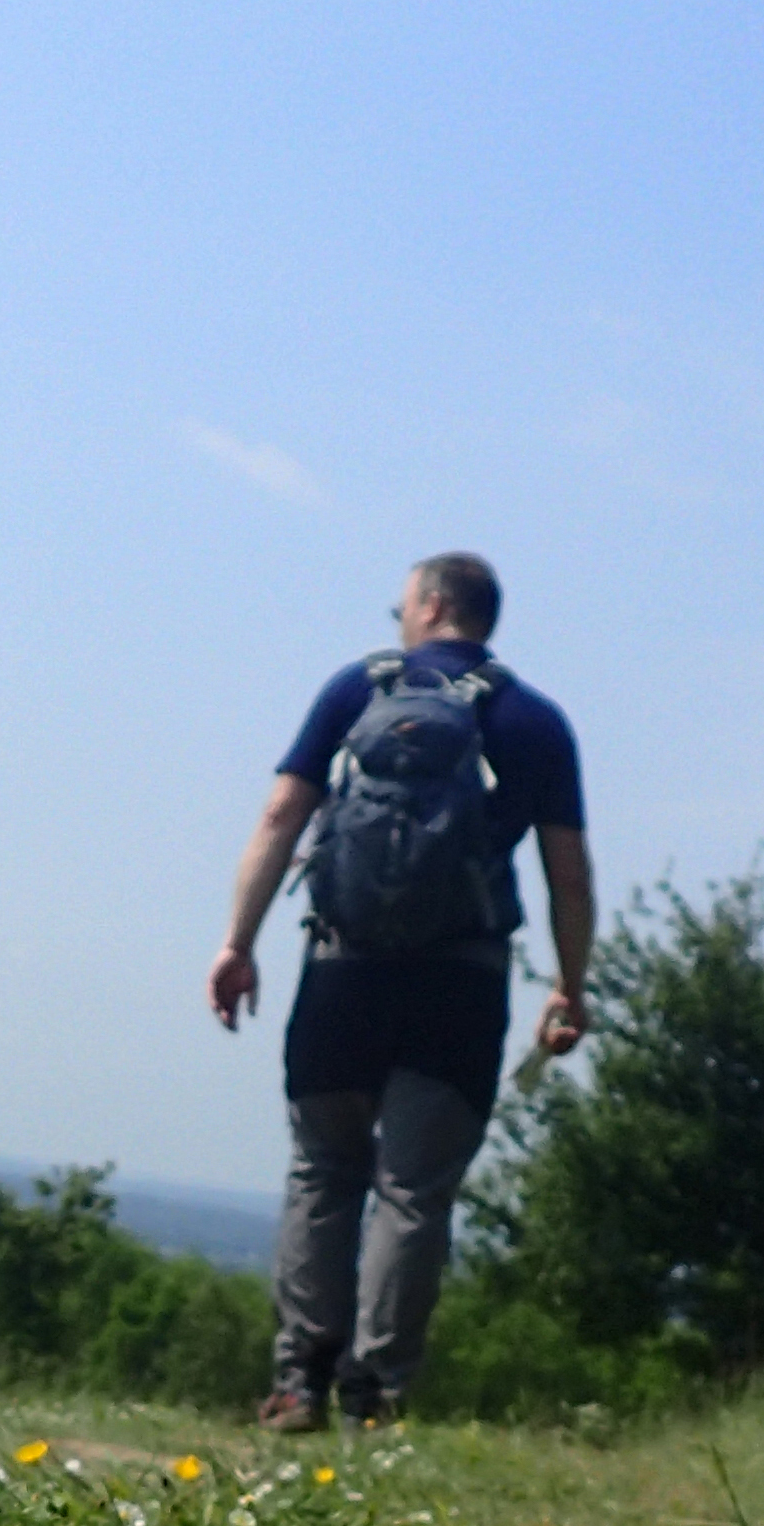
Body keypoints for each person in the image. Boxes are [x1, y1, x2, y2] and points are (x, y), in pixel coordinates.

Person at [205, 551, 593, 1430]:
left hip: (345, 969)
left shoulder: (358, 690)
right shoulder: (533, 720)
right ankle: (374, 1395)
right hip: (460, 980)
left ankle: (298, 1381)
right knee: (414, 1190)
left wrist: (238, 942)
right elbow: (567, 872)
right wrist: (571, 985)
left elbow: (280, 816)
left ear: (430, 605)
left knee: (323, 1171)